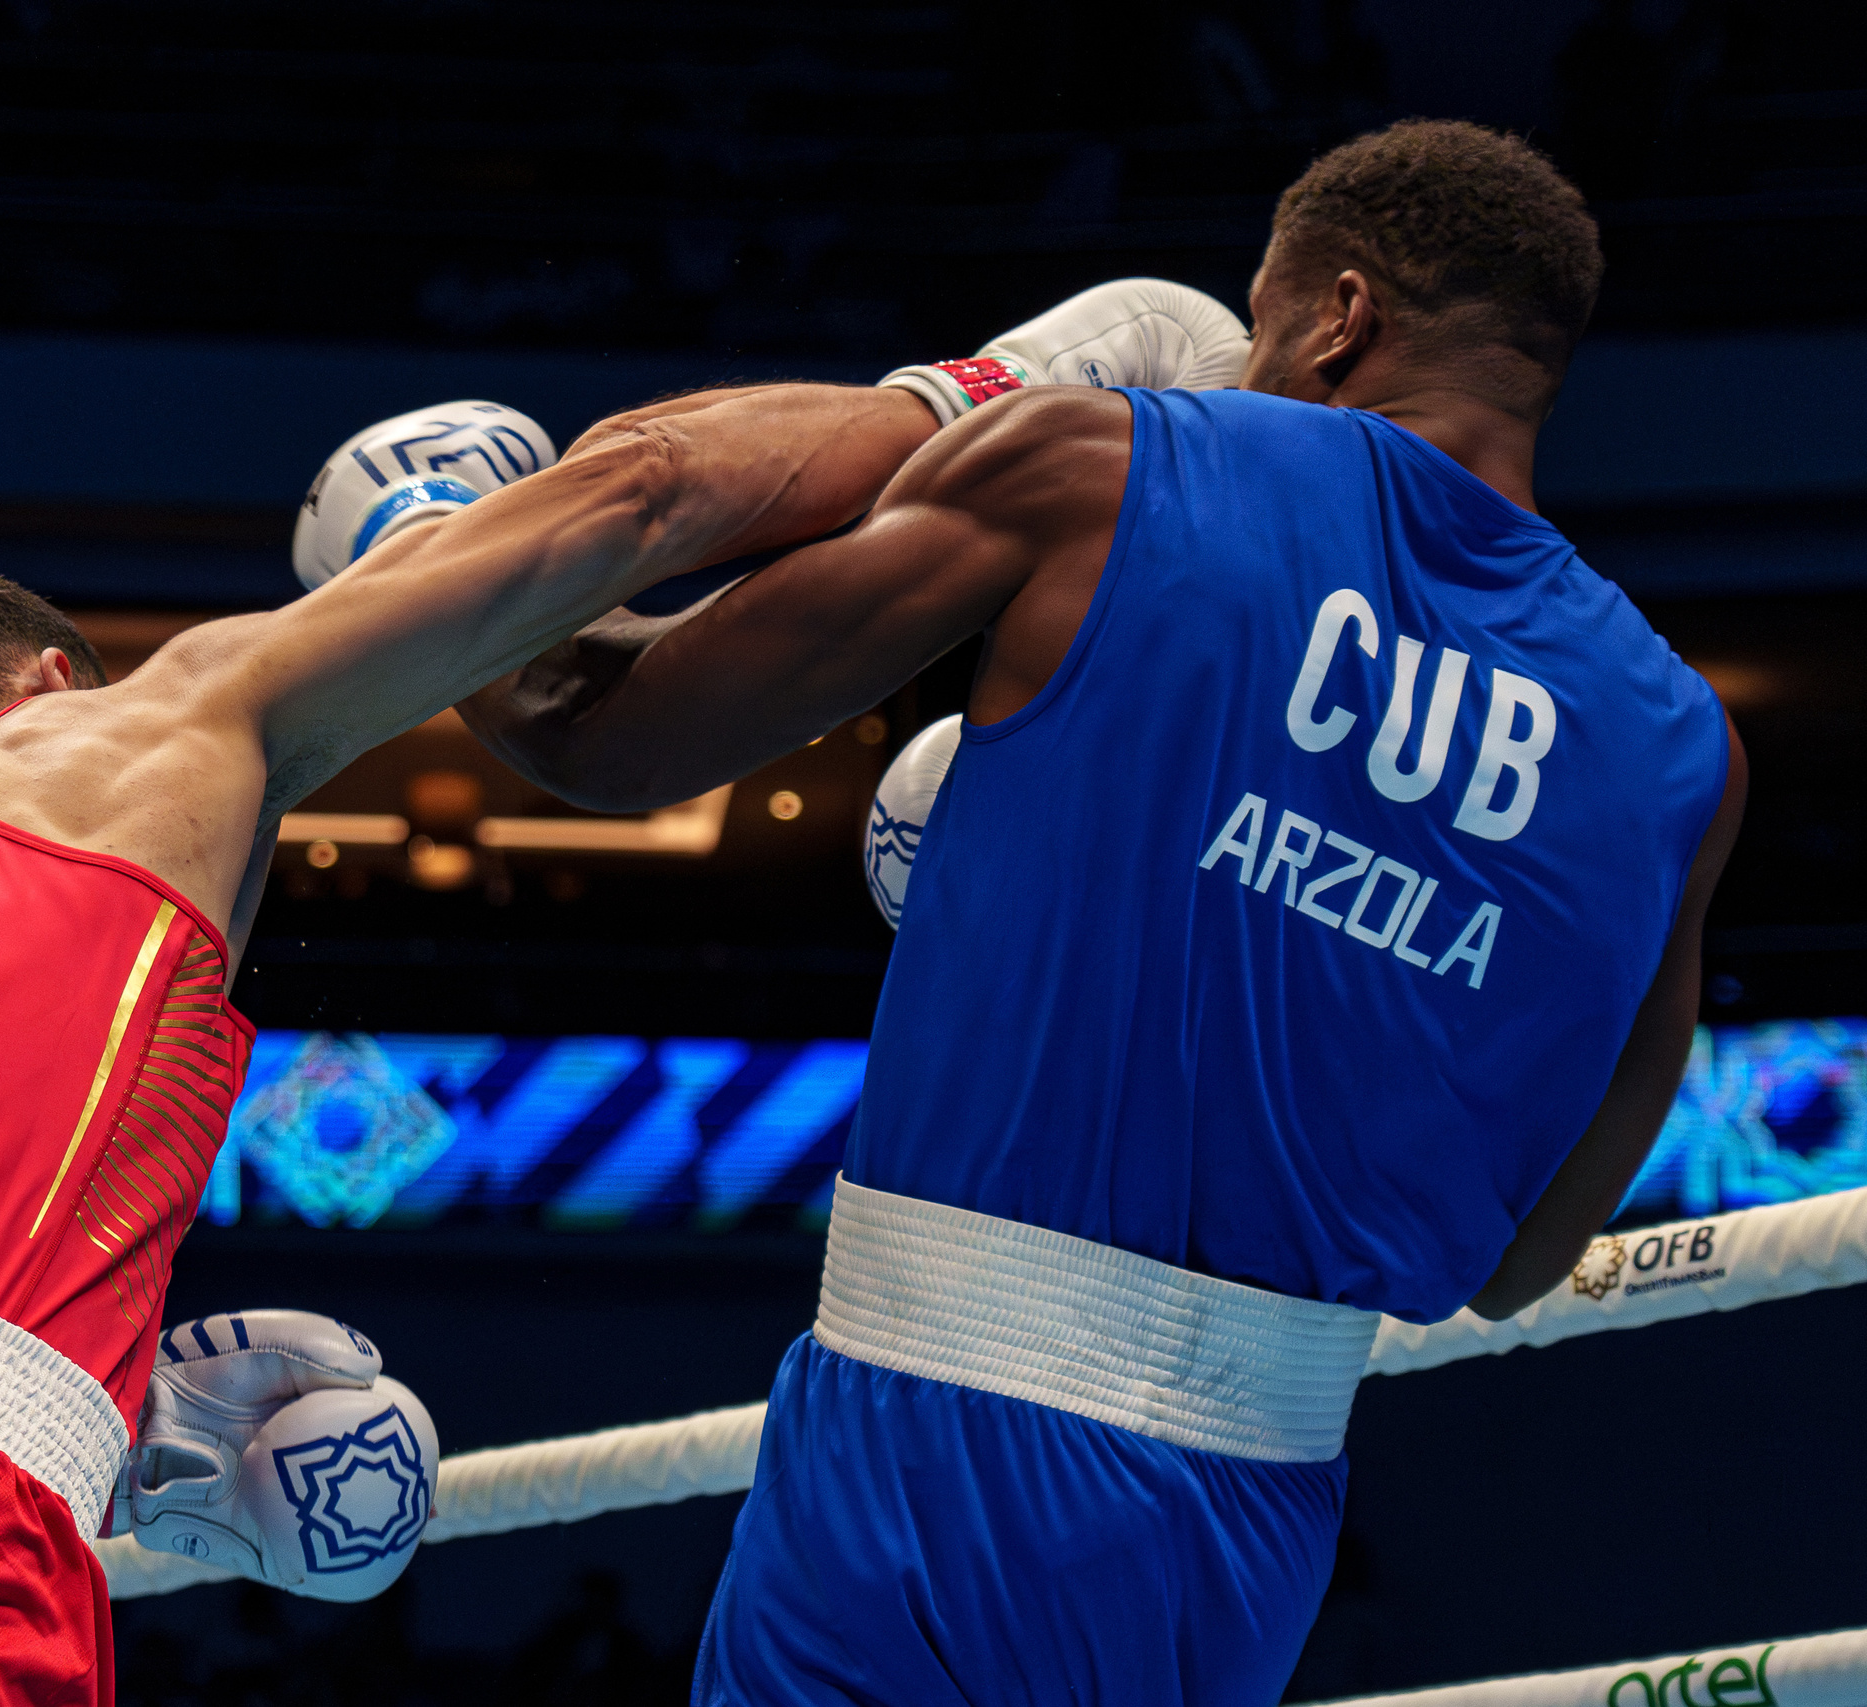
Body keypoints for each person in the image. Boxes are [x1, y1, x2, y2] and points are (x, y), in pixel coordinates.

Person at [459, 120, 1745, 1704]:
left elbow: (608, 732)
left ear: (1337, 318)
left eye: (1265, 329)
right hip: (1258, 1525)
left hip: (934, 1452)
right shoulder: (1681, 744)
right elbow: (1523, 1257)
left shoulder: (1116, 466)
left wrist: (441, 559)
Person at [0, 388, 927, 1703]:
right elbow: (639, 494)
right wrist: (986, 394)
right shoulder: (113, 752)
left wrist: (114, 1414)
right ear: (47, 691)